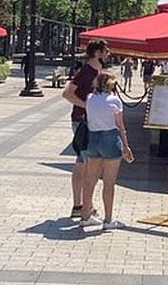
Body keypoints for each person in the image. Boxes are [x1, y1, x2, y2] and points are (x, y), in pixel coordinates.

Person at [79, 72, 135, 228]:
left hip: (93, 138)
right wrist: (126, 146)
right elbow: (120, 125)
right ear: (110, 84)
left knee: (90, 180)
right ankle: (108, 220)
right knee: (109, 183)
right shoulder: (114, 100)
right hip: (110, 139)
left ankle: (85, 216)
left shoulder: (90, 98)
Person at [60, 40, 108, 219]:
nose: (109, 53)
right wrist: (87, 106)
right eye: (106, 50)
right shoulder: (85, 72)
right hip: (83, 122)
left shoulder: (98, 72)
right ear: (97, 53)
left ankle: (78, 205)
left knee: (82, 163)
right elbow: (66, 93)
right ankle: (87, 207)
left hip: (90, 121)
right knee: (89, 165)